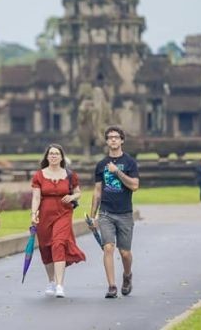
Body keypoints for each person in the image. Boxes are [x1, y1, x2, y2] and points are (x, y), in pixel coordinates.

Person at [89, 125, 140, 298]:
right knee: (108, 247)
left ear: (122, 140)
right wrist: (92, 216)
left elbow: (134, 185)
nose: (113, 140)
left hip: (125, 213)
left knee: (125, 252)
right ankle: (112, 286)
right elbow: (97, 191)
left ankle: (127, 275)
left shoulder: (129, 162)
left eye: (116, 137)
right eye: (110, 137)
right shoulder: (101, 165)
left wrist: (117, 172)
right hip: (106, 213)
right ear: (106, 141)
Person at [30, 144, 86, 298]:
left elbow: (78, 193)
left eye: (56, 154)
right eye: (51, 154)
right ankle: (51, 282)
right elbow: (36, 197)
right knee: (45, 247)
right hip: (45, 214)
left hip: (63, 213)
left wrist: (72, 197)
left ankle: (60, 285)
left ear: (62, 157)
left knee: (58, 244)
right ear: (47, 157)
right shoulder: (39, 175)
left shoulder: (69, 175)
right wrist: (33, 214)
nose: (53, 156)